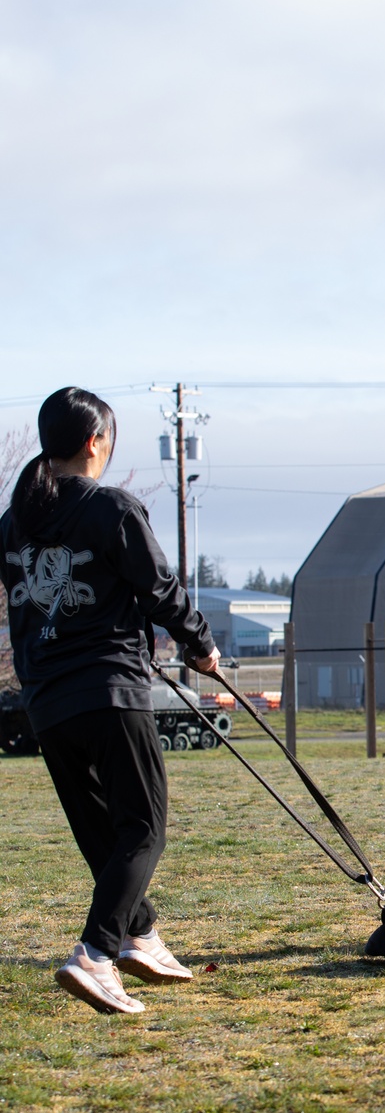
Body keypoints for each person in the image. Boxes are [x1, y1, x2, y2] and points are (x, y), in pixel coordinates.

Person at [0, 388, 222, 1014]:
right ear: (96, 441)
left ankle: (140, 935)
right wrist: (200, 647)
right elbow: (159, 588)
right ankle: (96, 954)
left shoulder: (14, 522)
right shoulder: (110, 508)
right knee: (143, 826)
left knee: (102, 831)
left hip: (46, 702)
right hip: (108, 689)